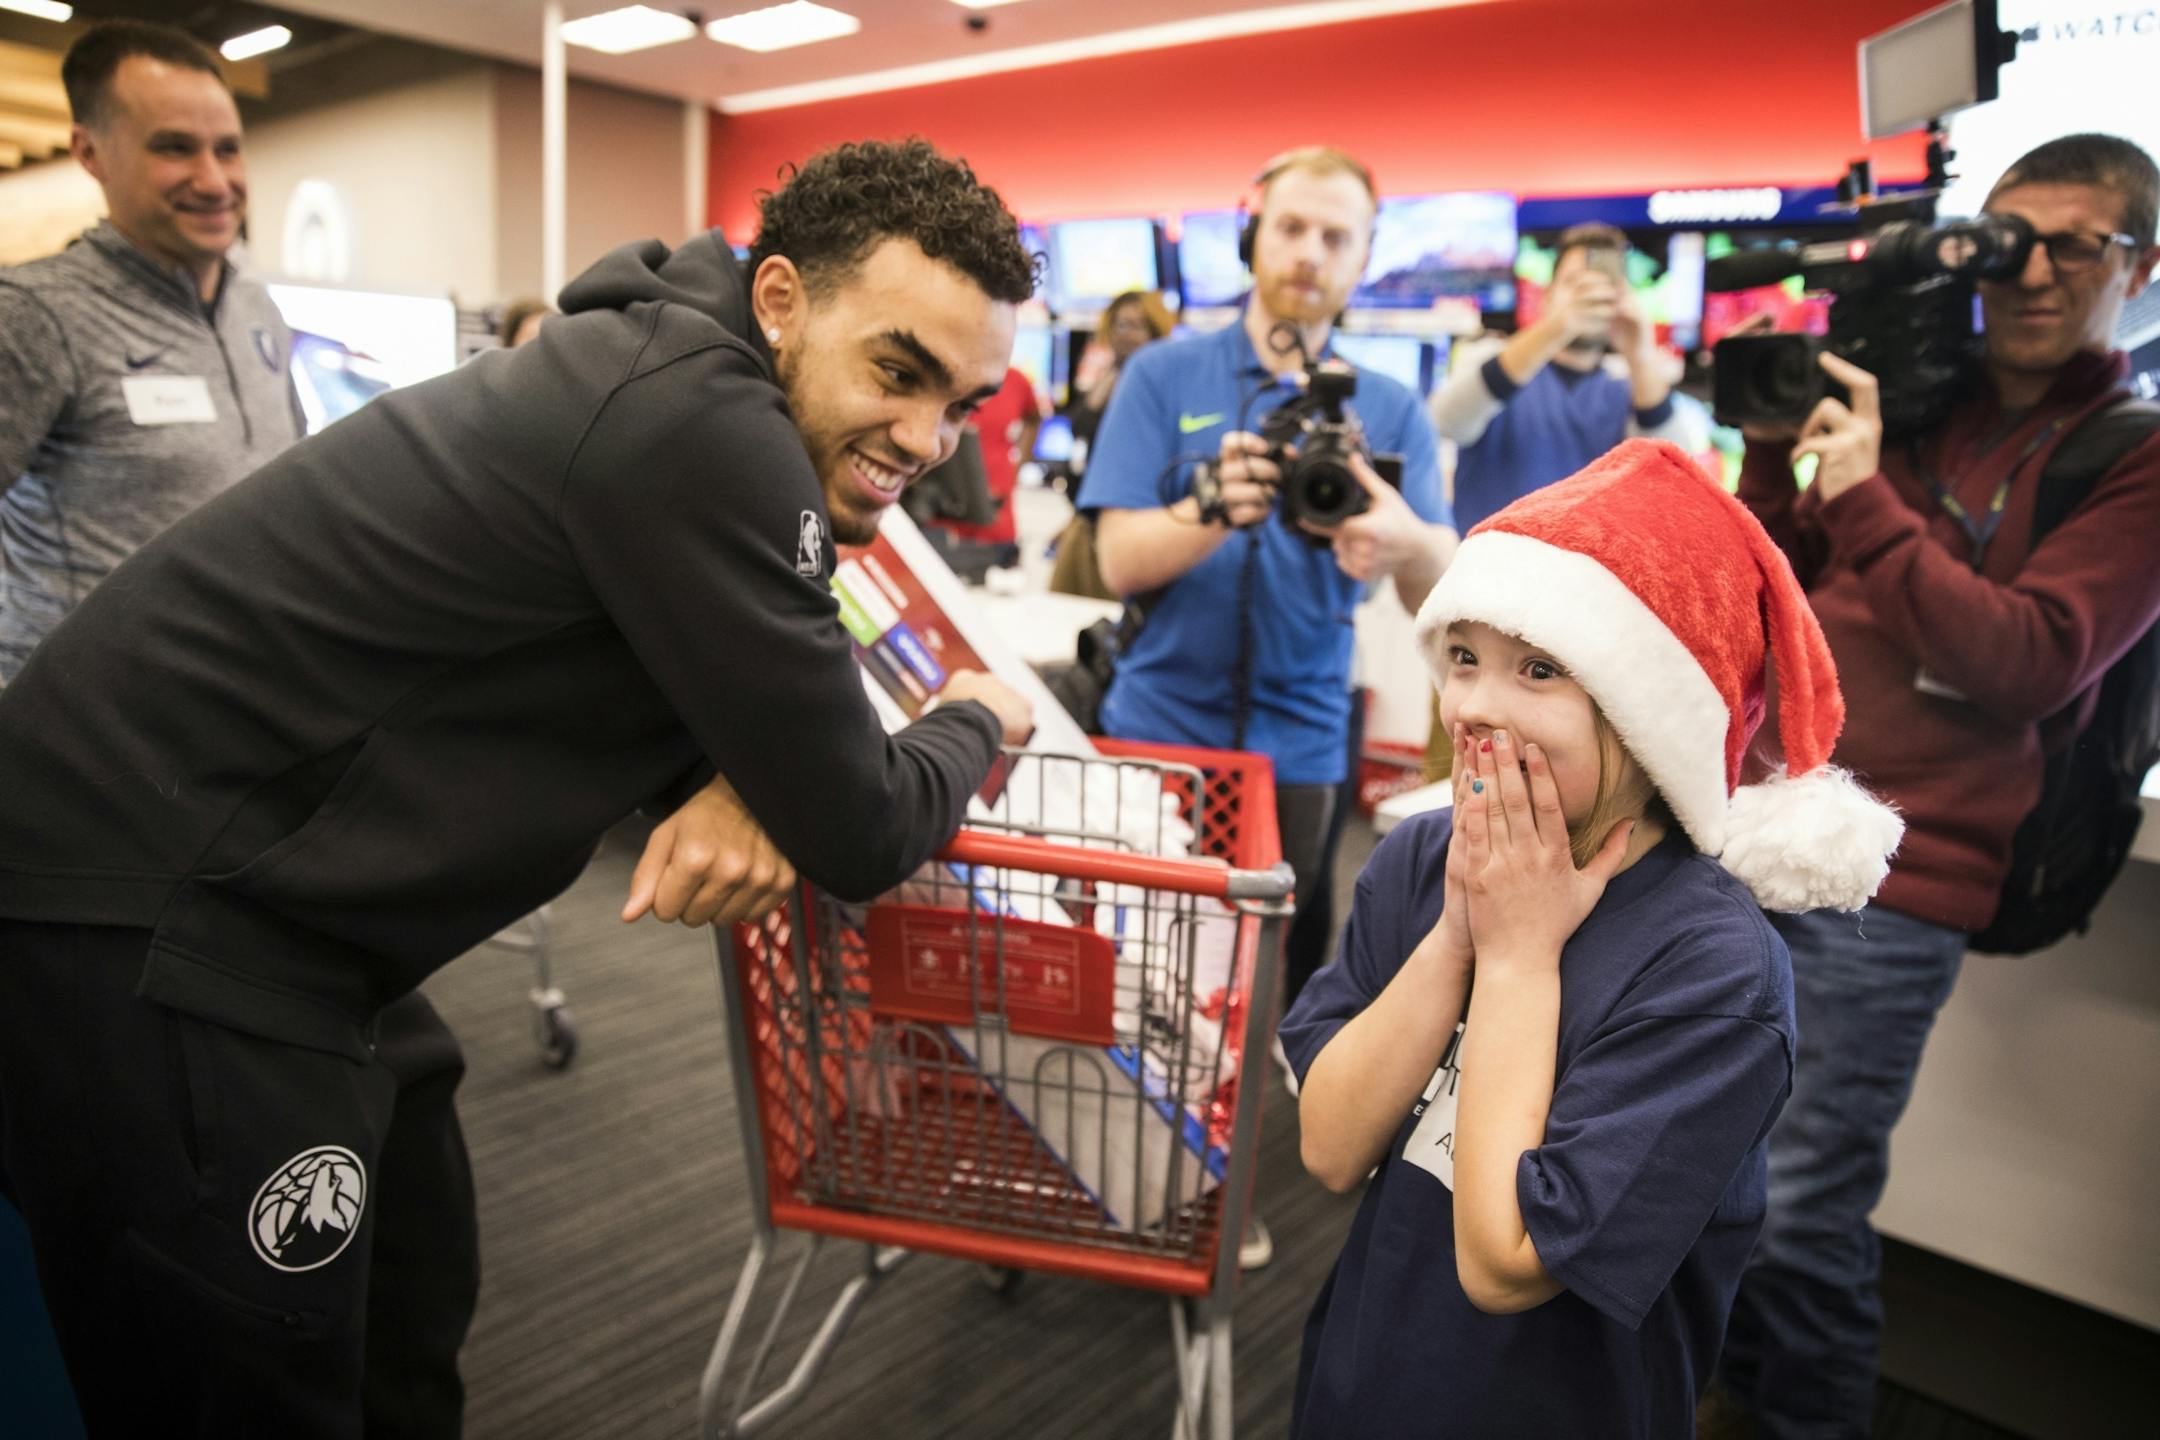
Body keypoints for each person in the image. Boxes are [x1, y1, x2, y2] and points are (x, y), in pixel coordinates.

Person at [0, 137, 1036, 1435]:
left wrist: (742, 768)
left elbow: (641, 644)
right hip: (152, 912)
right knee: (246, 1378)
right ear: (780, 301)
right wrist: (976, 717)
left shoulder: (662, 367)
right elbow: (866, 821)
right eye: (900, 372)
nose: (929, 437)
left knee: (415, 1278)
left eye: (965, 403)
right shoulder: (700, 425)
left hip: (296, 916)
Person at [1281, 438, 1903, 1438]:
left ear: (1645, 712)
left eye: (1539, 669)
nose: (1477, 705)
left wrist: (1520, 956)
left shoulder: (1714, 969)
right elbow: (1327, 1144)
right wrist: (1455, 939)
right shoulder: (1425, 858)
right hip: (1361, 1391)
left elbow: (1504, 1261)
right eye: (1465, 659)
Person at [1716, 132, 2160, 1439]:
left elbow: (2030, 660)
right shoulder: (1922, 396)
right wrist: (1764, 451)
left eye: (2072, 245)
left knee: (1802, 1209)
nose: (2029, 272)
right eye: (2008, 238)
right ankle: (1737, 1404)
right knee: (1716, 1172)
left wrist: (1861, 496)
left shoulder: (2132, 451)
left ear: (2142, 267)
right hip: (1763, 830)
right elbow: (1782, 584)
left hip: (1904, 878)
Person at [1078, 146, 1454, 1041]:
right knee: (1140, 960)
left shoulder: (1393, 408)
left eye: (1336, 236)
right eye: (1290, 228)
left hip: (1305, 740)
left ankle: (1259, 1132)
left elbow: (1440, 599)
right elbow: (1114, 561)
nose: (1309, 253)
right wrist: (1211, 507)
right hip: (1157, 724)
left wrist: (1408, 540)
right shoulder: (1164, 376)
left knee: (1285, 947)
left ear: (1364, 257)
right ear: (1252, 238)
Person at [0, 19, 303, 683]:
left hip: (240, 702)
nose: (214, 179)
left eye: (228, 149)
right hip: (84, 731)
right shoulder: (33, 316)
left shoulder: (257, 308)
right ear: (90, 153)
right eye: (175, 148)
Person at [1430, 222, 1699, 533]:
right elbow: (1446, 421)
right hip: (1487, 573)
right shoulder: (1494, 357)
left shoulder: (1629, 385)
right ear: (1547, 297)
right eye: (1575, 284)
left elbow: (1676, 478)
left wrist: (1640, 353)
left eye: (1606, 285)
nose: (1590, 296)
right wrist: (1556, 328)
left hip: (1586, 578)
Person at [919, 364, 1043, 571]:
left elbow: (1034, 418)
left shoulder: (1015, 380)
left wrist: (1017, 466)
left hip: (998, 527)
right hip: (942, 524)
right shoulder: (942, 376)